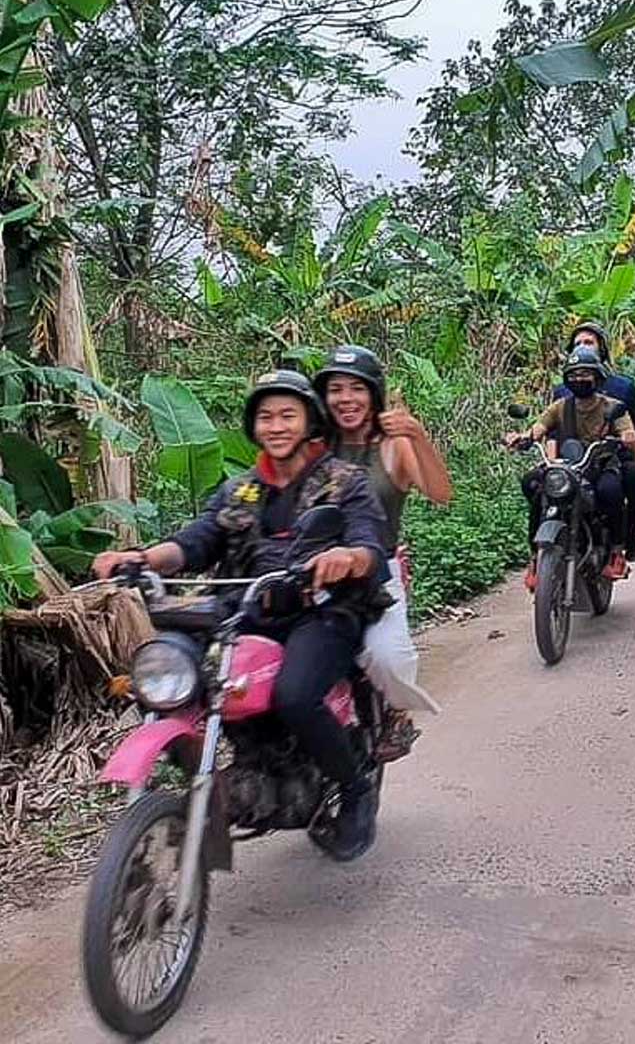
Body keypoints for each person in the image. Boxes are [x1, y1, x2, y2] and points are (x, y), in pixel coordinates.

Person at [93, 371, 386, 863]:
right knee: (172, 681)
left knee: (295, 695)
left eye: (288, 415)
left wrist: (348, 559)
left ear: (310, 421)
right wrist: (141, 558)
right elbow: (195, 542)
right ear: (253, 426)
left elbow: (368, 542)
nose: (276, 426)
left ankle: (355, 791)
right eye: (266, 416)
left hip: (321, 611)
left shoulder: (344, 482)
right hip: (242, 612)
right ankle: (230, 776)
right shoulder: (241, 491)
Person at [314, 344, 451, 758]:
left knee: (387, 657)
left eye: (356, 389)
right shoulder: (316, 444)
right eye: (336, 389)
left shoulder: (394, 445)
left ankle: (395, 712)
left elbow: (440, 493)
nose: (346, 399)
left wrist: (417, 434)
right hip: (315, 569)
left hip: (378, 571)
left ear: (374, 393)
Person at [509, 346, 635, 586]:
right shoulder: (560, 406)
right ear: (567, 379)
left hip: (598, 465)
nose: (580, 379)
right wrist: (523, 437)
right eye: (574, 374)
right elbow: (539, 427)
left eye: (586, 374)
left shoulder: (612, 405)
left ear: (597, 377)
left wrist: (627, 435)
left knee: (611, 492)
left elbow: (627, 429)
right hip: (566, 467)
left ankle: (616, 552)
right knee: (534, 486)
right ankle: (536, 557)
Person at [555, 321, 635, 561]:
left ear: (602, 348)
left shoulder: (623, 387)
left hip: (613, 458)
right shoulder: (561, 392)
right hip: (573, 459)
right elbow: (551, 432)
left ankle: (629, 538)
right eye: (577, 343)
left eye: (588, 342)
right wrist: (553, 464)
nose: (582, 347)